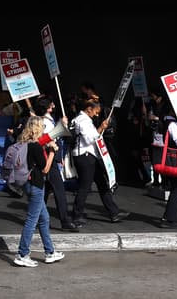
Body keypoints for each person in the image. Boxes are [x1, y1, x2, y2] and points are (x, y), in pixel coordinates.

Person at [12, 117, 64, 268]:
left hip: (27, 183)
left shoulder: (22, 142)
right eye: (42, 127)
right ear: (38, 128)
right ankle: (22, 254)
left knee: (44, 218)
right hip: (36, 184)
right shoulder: (35, 146)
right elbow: (45, 169)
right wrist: (53, 152)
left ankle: (50, 252)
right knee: (32, 220)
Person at [70, 98, 128, 225]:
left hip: (90, 155)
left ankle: (114, 212)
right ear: (89, 109)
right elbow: (90, 139)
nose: (97, 115)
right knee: (85, 186)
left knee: (102, 183)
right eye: (95, 112)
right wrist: (101, 127)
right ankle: (76, 214)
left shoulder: (84, 120)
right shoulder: (82, 121)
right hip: (84, 155)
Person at [29, 97, 75, 231]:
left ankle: (36, 218)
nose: (54, 104)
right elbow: (48, 138)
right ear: (47, 107)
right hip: (50, 157)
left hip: (49, 157)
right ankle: (65, 221)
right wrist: (61, 126)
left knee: (45, 190)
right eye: (51, 103)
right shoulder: (45, 121)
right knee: (59, 190)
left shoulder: (45, 119)